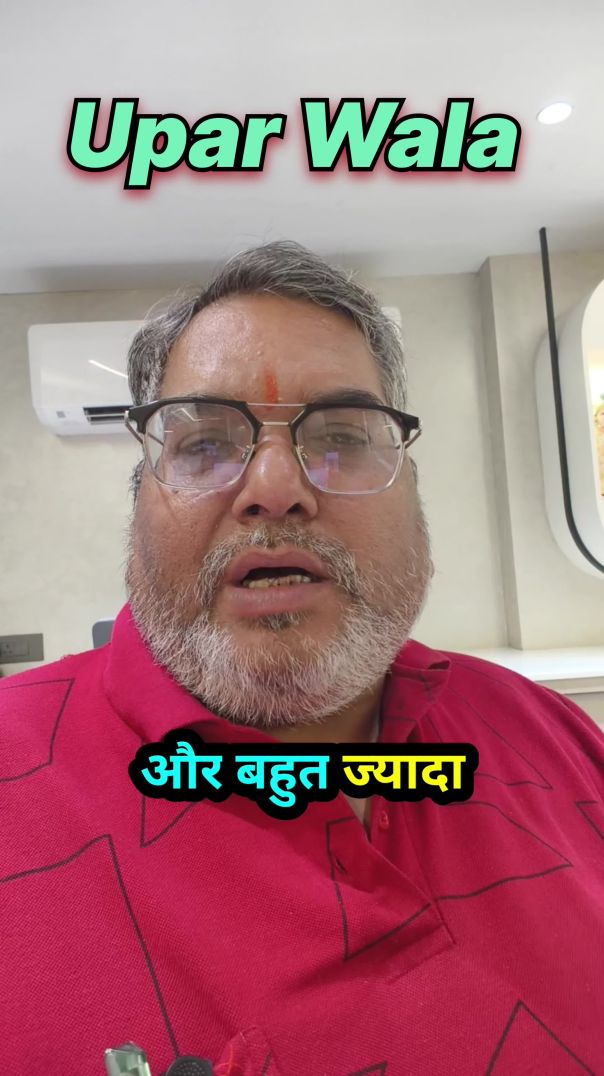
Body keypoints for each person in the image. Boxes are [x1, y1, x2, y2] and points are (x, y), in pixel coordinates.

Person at [1, 242, 603, 1076]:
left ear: (414, 492)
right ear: (139, 503)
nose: (275, 488)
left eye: (343, 436)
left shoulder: (556, 734)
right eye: (205, 444)